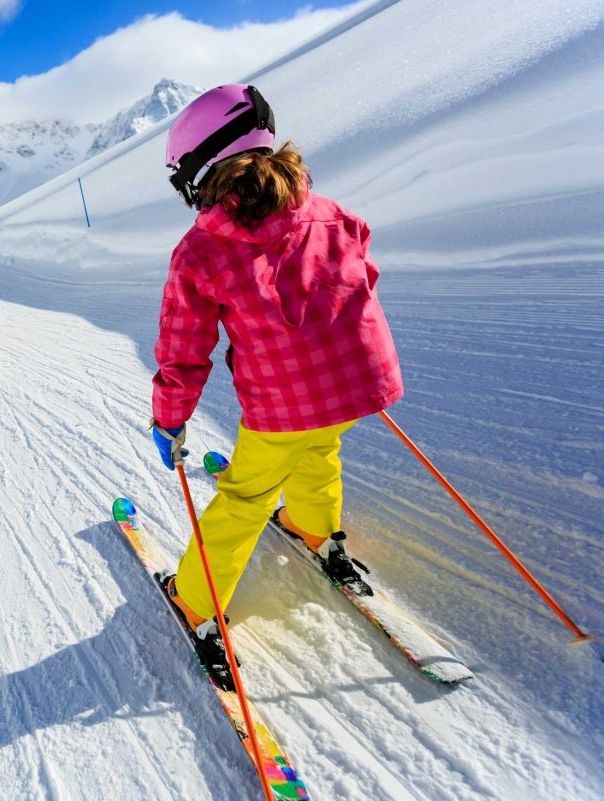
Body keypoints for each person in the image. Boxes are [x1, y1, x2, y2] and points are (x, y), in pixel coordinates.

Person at [149, 84, 403, 680]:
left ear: (201, 169)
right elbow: (363, 278)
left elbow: (184, 352)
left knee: (245, 496)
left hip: (283, 405)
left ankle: (196, 599)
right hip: (358, 386)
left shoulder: (201, 250)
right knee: (322, 445)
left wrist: (169, 417)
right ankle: (316, 529)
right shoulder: (333, 213)